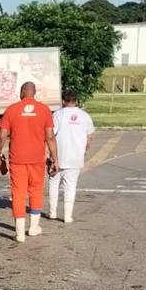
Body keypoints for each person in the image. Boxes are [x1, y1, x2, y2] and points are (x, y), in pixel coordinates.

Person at [0, 82, 60, 242]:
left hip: (17, 159)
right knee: (36, 191)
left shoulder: (12, 109)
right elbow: (50, 137)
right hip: (37, 159)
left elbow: (2, 135)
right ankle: (33, 228)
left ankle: (19, 233)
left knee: (18, 193)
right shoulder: (44, 110)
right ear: (34, 93)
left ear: (22, 92)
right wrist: (55, 159)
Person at [48, 89, 95, 223]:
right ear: (76, 101)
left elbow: (51, 134)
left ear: (63, 101)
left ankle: (52, 212)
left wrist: (49, 154)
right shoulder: (85, 116)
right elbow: (90, 136)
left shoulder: (57, 114)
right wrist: (85, 149)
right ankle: (68, 216)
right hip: (76, 156)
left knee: (54, 182)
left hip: (58, 154)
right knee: (70, 185)